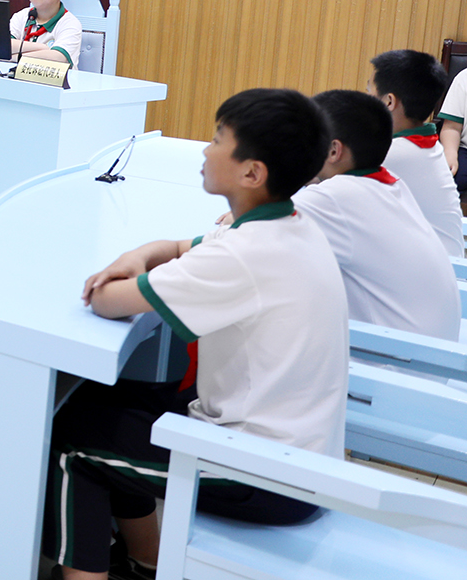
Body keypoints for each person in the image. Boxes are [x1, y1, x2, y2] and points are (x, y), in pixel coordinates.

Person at [48, 88, 346, 580]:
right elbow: (177, 246)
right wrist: (140, 256)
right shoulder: (288, 224)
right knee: (115, 403)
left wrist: (125, 269)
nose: (205, 151)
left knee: (74, 444)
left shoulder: (241, 256)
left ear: (252, 173)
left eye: (217, 139)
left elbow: (105, 301)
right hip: (301, 455)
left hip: (262, 475)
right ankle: (146, 560)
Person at [295, 89, 458, 339]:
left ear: (334, 150)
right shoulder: (391, 184)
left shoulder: (333, 197)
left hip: (396, 355)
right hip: (431, 342)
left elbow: (249, 230)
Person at [369, 49, 461, 255]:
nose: (366, 98)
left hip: (433, 266)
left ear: (389, 101)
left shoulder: (391, 155)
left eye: (370, 91)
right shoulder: (424, 147)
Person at [10, 0, 83, 65]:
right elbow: (4, 45)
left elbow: (58, 57)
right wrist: (43, 48)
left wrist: (13, 57)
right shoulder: (21, 16)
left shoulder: (70, 23)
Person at [434, 64, 467, 204]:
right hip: (465, 150)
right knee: (451, 180)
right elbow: (451, 128)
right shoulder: (464, 78)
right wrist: (450, 152)